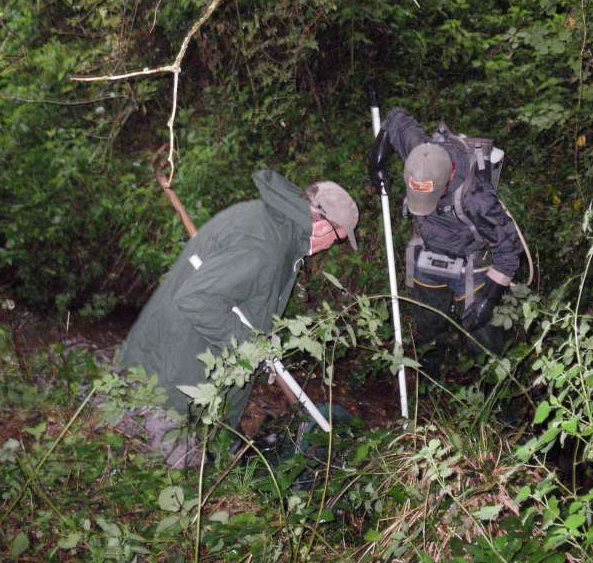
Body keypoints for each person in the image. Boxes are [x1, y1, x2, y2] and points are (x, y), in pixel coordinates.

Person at [120, 169, 359, 432]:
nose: (329, 247)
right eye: (337, 240)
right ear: (323, 226)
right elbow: (198, 300)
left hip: (187, 366)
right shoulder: (264, 245)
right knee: (172, 463)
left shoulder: (276, 226)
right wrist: (251, 347)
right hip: (174, 381)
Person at [368, 107, 523, 376]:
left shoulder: (476, 197)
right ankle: (430, 381)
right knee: (428, 326)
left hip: (471, 263)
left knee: (484, 341)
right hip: (428, 254)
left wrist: (489, 298)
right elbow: (395, 118)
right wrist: (376, 159)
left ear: (448, 178)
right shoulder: (420, 155)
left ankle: (497, 401)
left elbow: (509, 250)